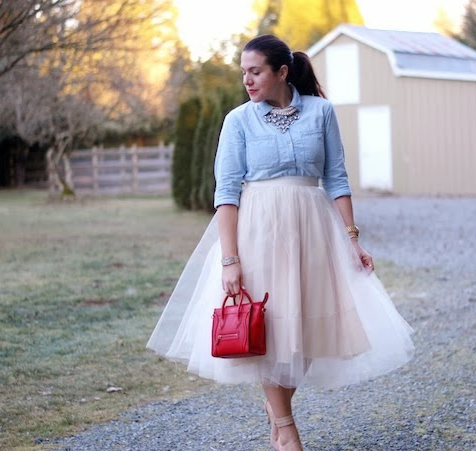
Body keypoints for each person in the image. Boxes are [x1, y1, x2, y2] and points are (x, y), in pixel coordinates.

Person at [147, 35, 414, 450]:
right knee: (269, 333)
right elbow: (227, 191)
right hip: (259, 231)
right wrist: (230, 258)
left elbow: (337, 178)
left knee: (303, 333)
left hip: (313, 232)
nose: (247, 81)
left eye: (255, 72)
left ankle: (278, 420)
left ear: (282, 72)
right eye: (243, 73)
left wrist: (351, 239)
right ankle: (286, 430)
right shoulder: (238, 120)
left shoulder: (322, 112)